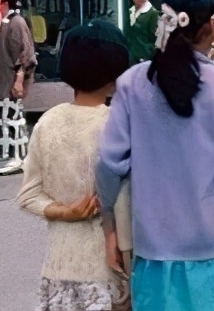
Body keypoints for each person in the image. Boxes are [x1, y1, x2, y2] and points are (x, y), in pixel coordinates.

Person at [97, 0, 214, 311]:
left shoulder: (132, 83)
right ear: (211, 26)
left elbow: (109, 162)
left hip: (153, 247)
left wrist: (109, 220)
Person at [17, 21, 132, 311]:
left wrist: (66, 212)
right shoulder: (118, 124)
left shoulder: (47, 122)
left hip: (59, 268)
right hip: (110, 268)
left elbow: (28, 195)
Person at [0, 0, 37, 176]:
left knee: (12, 119)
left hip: (13, 81)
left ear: (4, 3)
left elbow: (25, 54)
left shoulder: (17, 23)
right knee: (7, 118)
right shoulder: (2, 24)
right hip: (4, 80)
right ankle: (19, 156)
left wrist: (19, 80)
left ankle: (18, 157)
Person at [122, 0, 158, 65]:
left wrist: (148, 54)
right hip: (129, 57)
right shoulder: (129, 12)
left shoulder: (152, 13)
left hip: (144, 58)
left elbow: (155, 38)